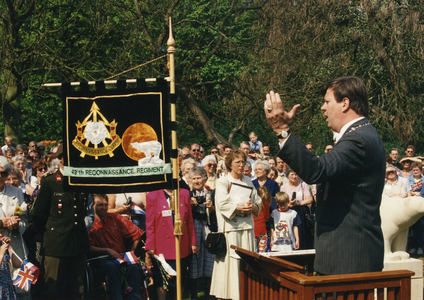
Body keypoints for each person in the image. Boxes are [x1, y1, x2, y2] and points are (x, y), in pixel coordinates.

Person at [265, 76, 385, 275]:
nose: (322, 108)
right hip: (345, 256)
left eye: (327, 101)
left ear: (345, 103)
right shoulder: (362, 134)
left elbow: (316, 170)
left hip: (349, 259)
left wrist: (282, 131)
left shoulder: (358, 139)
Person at [32, 144, 89, 300]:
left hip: (77, 243)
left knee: (78, 290)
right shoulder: (50, 181)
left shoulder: (81, 181)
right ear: (61, 159)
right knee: (53, 289)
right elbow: (38, 214)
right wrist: (52, 233)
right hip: (56, 244)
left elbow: (81, 212)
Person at [210, 150, 261, 300]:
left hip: (247, 228)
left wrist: (252, 207)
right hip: (231, 229)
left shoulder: (248, 181)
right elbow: (222, 204)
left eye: (243, 162)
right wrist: (239, 208)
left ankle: (245, 294)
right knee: (230, 265)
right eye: (237, 162)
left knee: (246, 263)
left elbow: (257, 201)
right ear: (230, 164)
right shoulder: (222, 181)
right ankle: (227, 296)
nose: (241, 165)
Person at [88, 194, 144, 300]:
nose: (104, 208)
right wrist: (107, 250)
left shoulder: (116, 218)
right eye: (100, 205)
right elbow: (89, 247)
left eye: (106, 205)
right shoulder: (90, 223)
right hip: (101, 259)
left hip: (121, 257)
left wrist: (131, 252)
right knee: (111, 268)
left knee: (135, 268)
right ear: (93, 206)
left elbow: (138, 233)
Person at [145, 189, 197, 300]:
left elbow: (189, 221)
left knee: (179, 280)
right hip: (162, 246)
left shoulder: (184, 193)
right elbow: (149, 224)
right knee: (161, 282)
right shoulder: (152, 196)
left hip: (181, 245)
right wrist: (150, 246)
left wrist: (193, 242)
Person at [189, 167, 216, 300]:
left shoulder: (212, 193)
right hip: (194, 227)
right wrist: (191, 204)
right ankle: (194, 295)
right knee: (195, 260)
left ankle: (209, 294)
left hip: (208, 226)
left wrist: (211, 207)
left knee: (210, 259)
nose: (196, 181)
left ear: (205, 178)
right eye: (193, 178)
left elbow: (217, 212)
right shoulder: (188, 194)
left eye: (199, 178)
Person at [280, 167, 314, 249]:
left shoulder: (303, 184)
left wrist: (297, 203)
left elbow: (309, 199)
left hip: (301, 213)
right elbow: (281, 201)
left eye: (296, 174)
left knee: (302, 235)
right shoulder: (284, 187)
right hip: (288, 212)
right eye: (292, 174)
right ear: (288, 175)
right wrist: (289, 204)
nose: (294, 176)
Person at [0, 234, 20, 300]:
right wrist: (1, 253)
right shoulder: (2, 251)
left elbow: (17, 264)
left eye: (1, 232)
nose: (0, 234)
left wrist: (10, 247)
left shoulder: (2, 248)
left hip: (8, 289)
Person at [254, 186, 271, 253]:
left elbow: (267, 217)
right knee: (260, 253)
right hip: (258, 231)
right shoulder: (265, 204)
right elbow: (267, 217)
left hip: (261, 232)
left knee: (256, 252)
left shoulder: (265, 204)